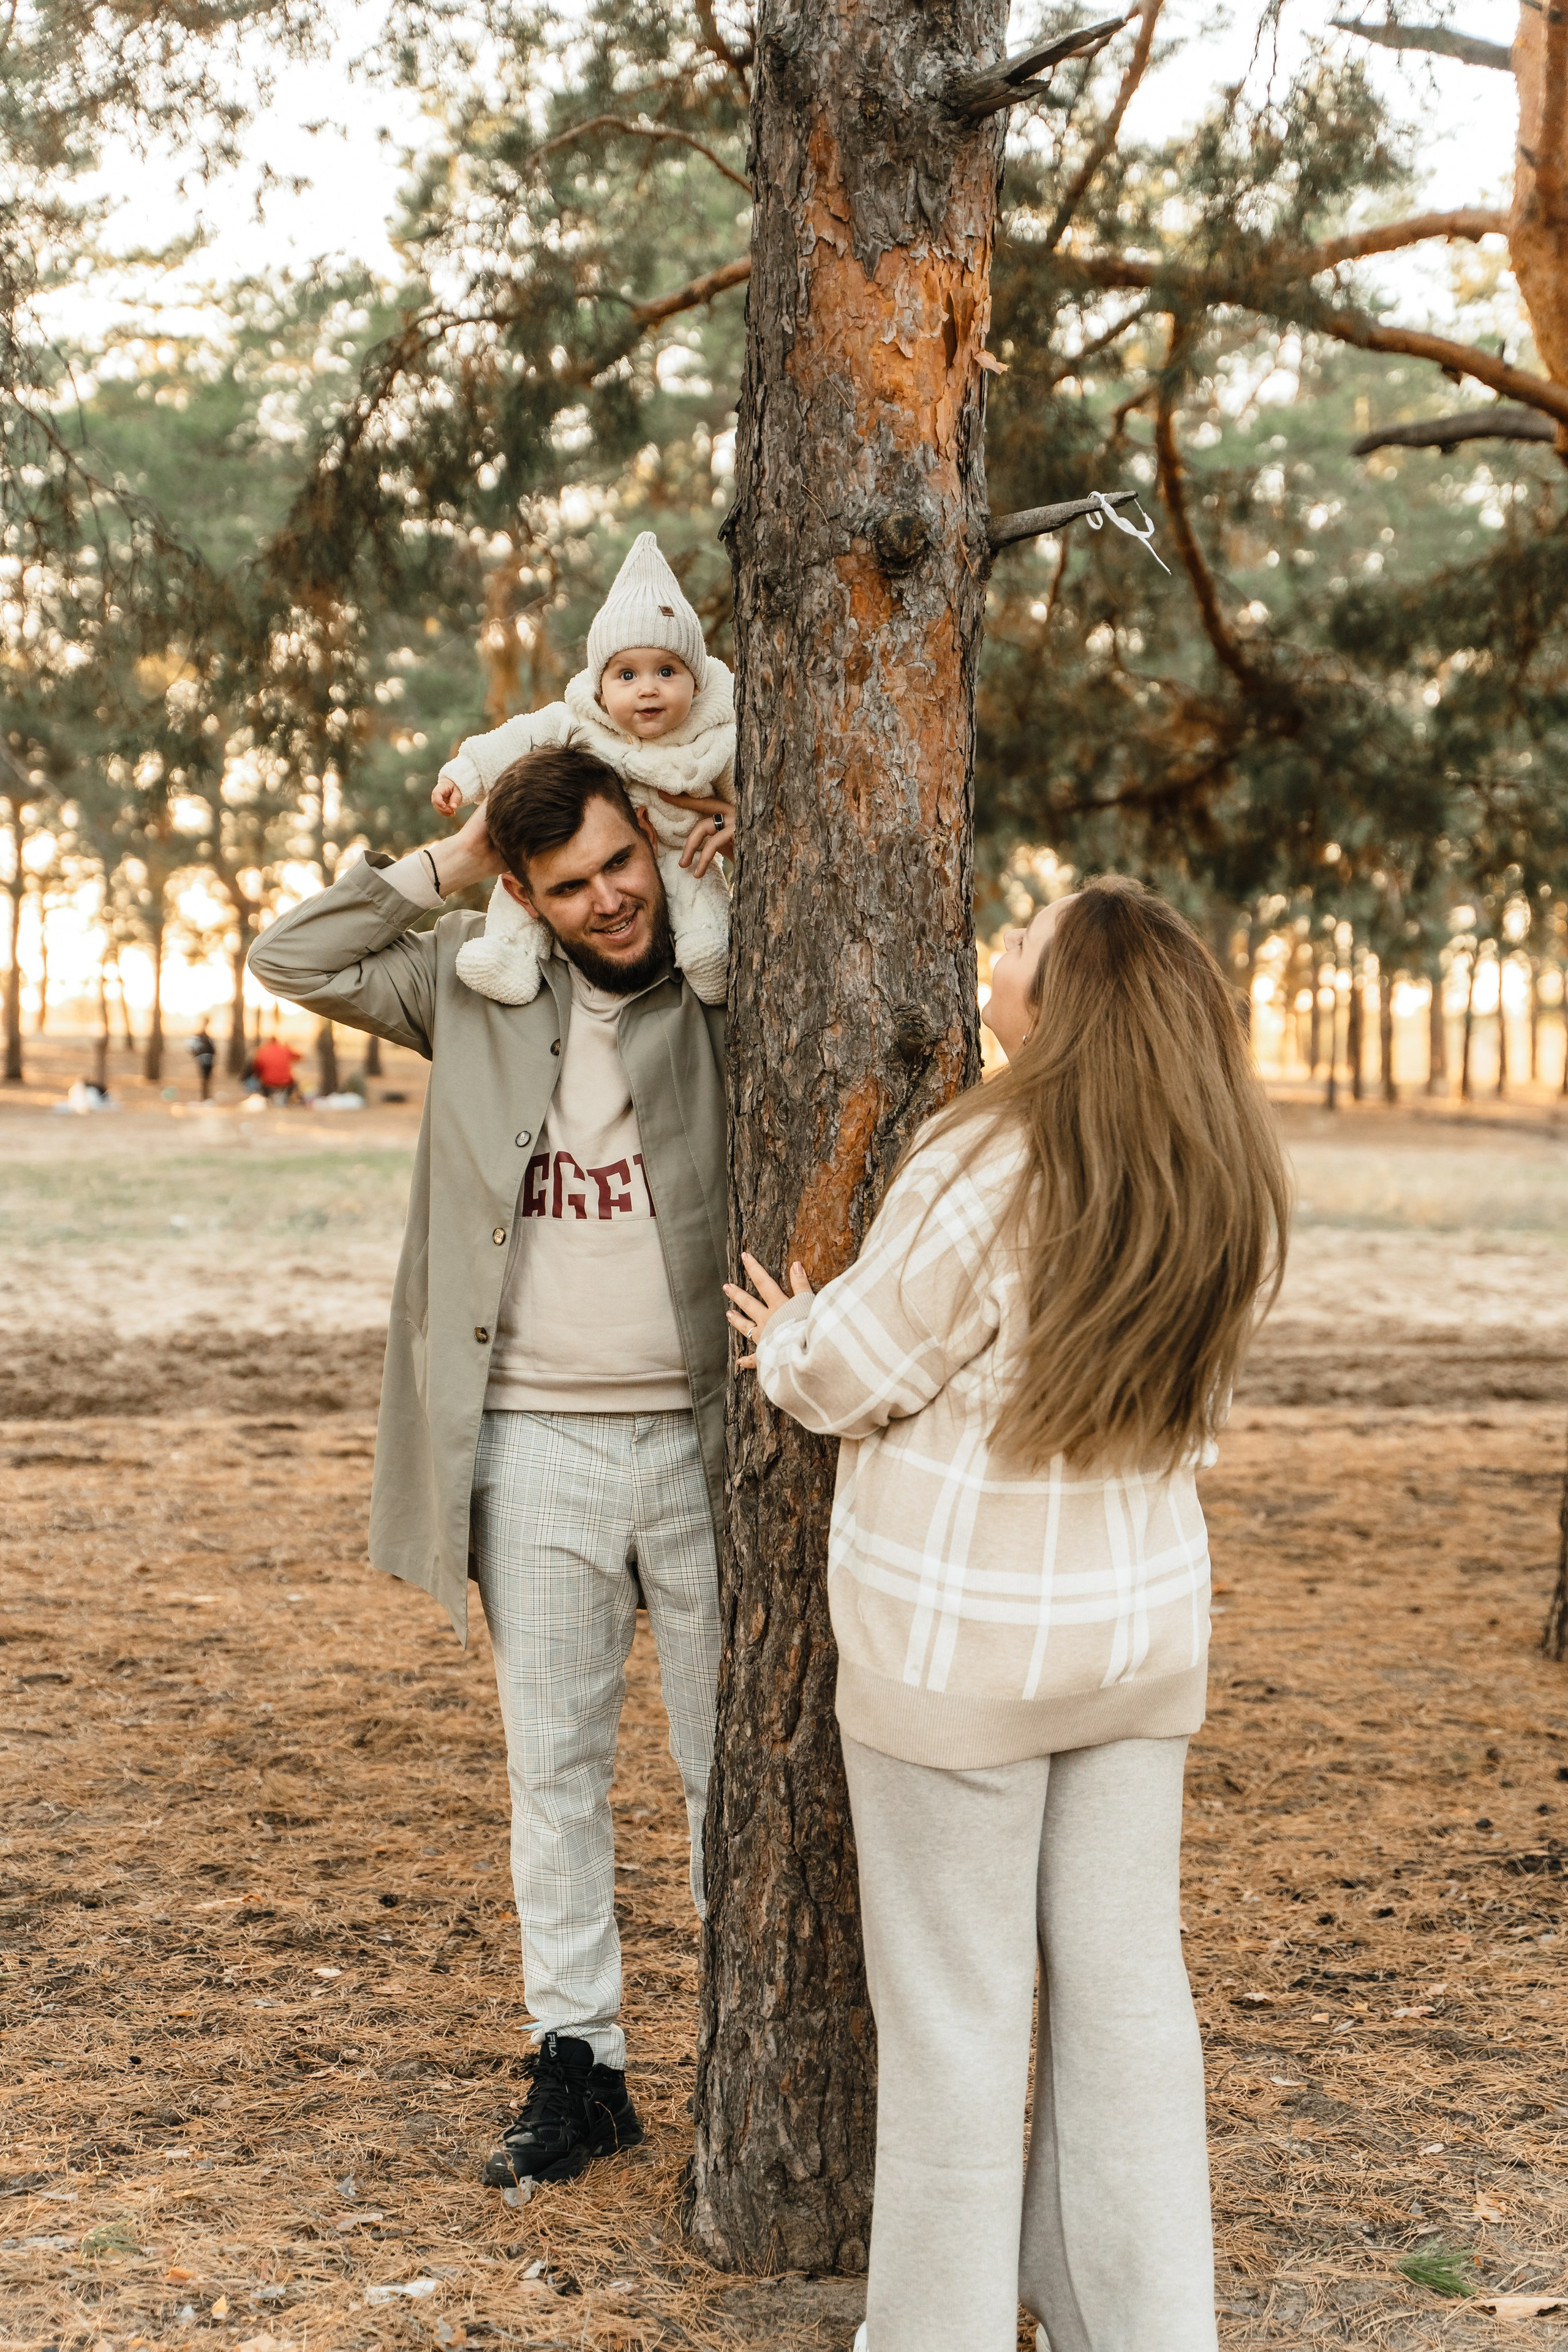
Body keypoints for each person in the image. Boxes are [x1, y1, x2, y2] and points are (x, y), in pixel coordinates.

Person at [725, 878, 1289, 2352]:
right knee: (1126, 2004)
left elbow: (852, 1369)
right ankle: (1141, 2327)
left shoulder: (984, 1154)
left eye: (1022, 942)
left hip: (958, 1653)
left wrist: (783, 1333)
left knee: (956, 2020)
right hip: (1132, 1645)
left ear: (1065, 1000)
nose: (998, 952)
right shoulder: (1219, 1171)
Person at [247, 739, 735, 2188]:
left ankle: (751, 2047)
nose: (609, 900)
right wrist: (451, 864)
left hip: (713, 1443)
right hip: (532, 1444)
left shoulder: (728, 972)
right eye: (568, 884)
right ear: (525, 892)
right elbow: (293, 957)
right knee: (554, 1770)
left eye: (620, 863)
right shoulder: (469, 983)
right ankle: (579, 2065)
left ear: (646, 836)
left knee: (729, 1769)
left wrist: (727, 847)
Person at [431, 532, 733, 1009]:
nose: (648, 689)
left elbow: (750, 797)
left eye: (667, 671)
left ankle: (709, 954)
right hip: (584, 848)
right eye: (627, 675)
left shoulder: (717, 735)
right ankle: (509, 955)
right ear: (601, 689)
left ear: (695, 682)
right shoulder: (577, 723)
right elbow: (515, 738)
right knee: (533, 876)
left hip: (685, 852)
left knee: (701, 895)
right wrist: (465, 774)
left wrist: (745, 826)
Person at [249, 1033, 301, 1103]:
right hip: (286, 1082)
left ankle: (266, 1099)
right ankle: (288, 1099)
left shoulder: (262, 1051)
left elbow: (256, 1067)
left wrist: (259, 1075)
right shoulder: (285, 1049)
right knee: (295, 1083)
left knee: (257, 1082)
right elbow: (299, 1057)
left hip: (268, 1082)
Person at [187, 1024, 217, 1101]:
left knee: (206, 1078)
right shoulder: (202, 1039)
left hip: (206, 1059)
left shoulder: (204, 1039)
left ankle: (205, 1095)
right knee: (206, 1078)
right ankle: (205, 1095)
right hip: (206, 1059)